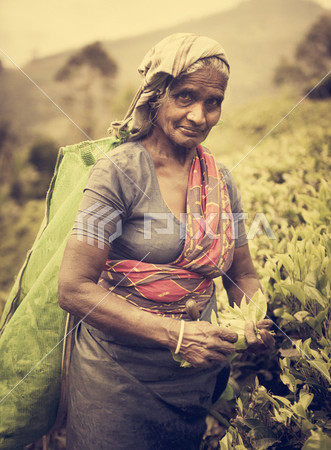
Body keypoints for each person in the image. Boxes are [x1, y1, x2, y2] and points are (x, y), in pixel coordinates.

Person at [58, 33, 274, 450]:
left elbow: (242, 273)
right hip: (117, 383)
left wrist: (254, 317)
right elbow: (74, 288)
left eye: (214, 102)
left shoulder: (221, 180)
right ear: (157, 96)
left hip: (193, 382)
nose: (199, 115)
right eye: (185, 96)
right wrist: (176, 335)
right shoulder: (118, 173)